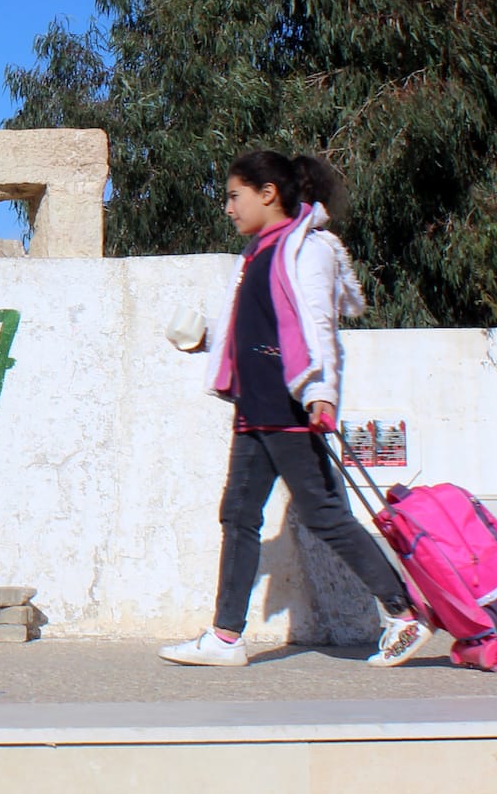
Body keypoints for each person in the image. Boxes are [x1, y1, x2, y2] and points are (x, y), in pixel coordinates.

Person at [159, 149, 430, 668]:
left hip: (290, 406)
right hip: (254, 407)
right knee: (238, 516)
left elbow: (317, 325)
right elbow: (260, 328)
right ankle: (225, 636)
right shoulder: (258, 253)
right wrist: (207, 341)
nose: (228, 208)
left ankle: (405, 611)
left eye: (235, 196)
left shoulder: (310, 247)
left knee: (324, 515)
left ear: (269, 194)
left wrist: (322, 394)